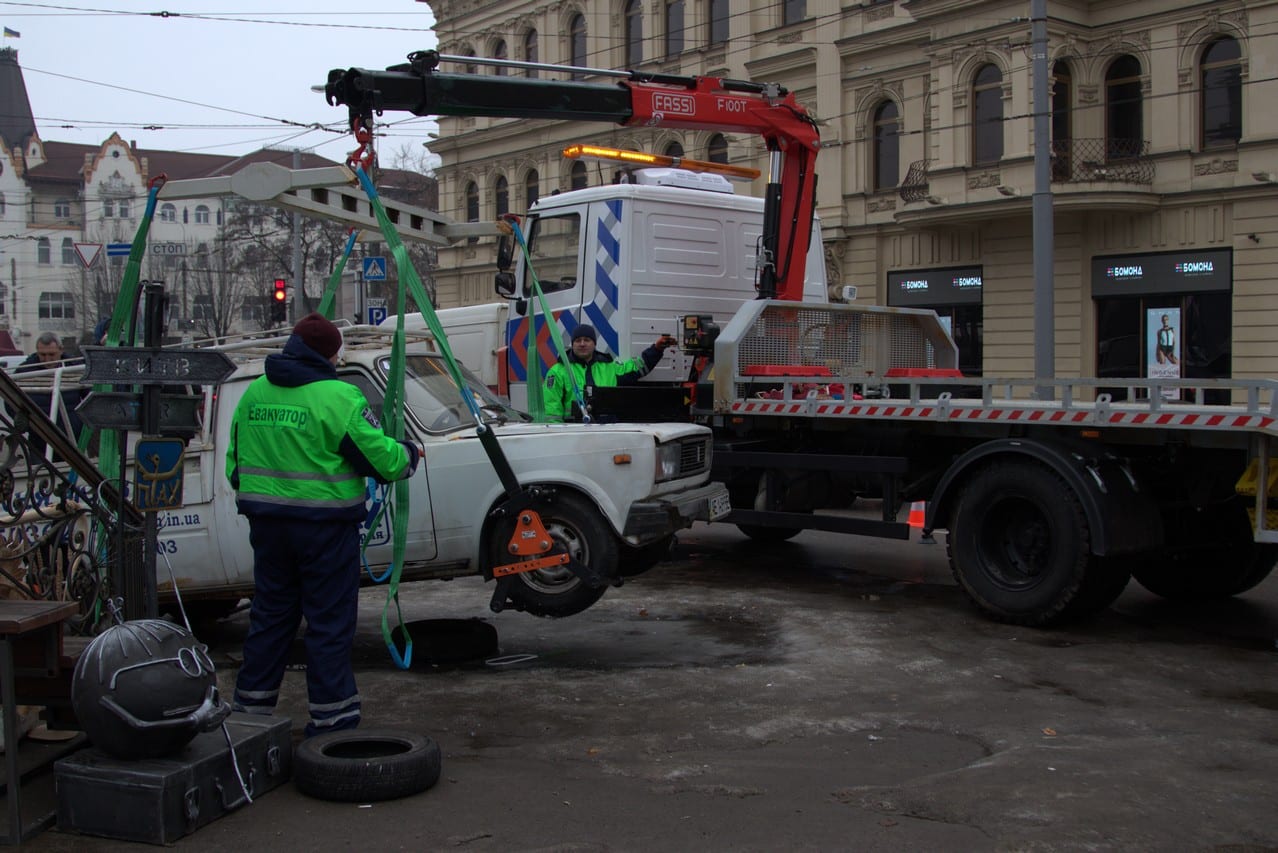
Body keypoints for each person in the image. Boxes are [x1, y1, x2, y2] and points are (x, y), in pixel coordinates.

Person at [227, 313, 420, 737]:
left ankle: (248, 715)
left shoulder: (254, 393)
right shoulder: (339, 397)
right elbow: (383, 461)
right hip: (325, 532)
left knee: (271, 617)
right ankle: (333, 723)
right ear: (329, 354)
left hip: (269, 529)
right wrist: (410, 454)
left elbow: (235, 465)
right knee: (329, 624)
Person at [543, 323, 674, 422]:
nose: (582, 344)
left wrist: (657, 349)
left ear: (594, 344)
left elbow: (638, 368)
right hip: (574, 433)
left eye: (587, 340)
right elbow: (552, 409)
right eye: (578, 340)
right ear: (572, 344)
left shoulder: (609, 367)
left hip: (607, 432)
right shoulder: (558, 371)